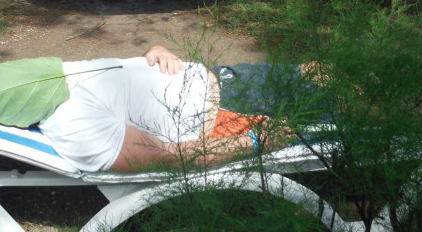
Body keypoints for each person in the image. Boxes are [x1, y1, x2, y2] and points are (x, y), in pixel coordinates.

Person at [34, 46, 322, 173]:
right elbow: (168, 157)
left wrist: (152, 53)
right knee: (333, 106)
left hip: (219, 77)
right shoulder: (73, 128)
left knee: (314, 72)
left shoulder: (53, 77)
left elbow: (119, 88)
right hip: (227, 115)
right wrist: (257, 141)